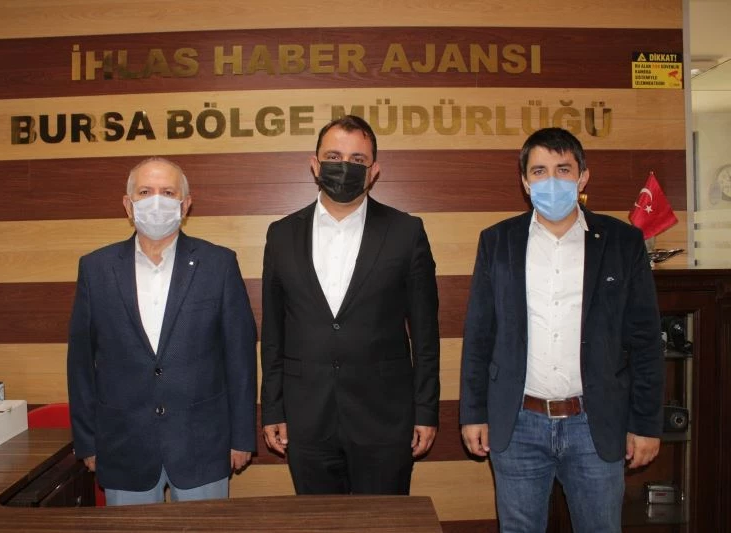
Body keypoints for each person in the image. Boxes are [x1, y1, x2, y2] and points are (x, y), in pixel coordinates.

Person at [459, 127, 664, 532]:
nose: (551, 180)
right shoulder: (498, 242)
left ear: (583, 176)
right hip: (518, 423)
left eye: (563, 169)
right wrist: (474, 413)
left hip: (595, 423)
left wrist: (645, 424)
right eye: (539, 171)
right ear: (525, 181)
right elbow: (480, 335)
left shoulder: (622, 242)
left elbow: (644, 341)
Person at [260, 115, 440, 495]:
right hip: (306, 419)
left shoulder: (406, 232)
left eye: (358, 159)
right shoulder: (281, 235)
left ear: (374, 171)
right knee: (319, 521)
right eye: (334, 156)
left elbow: (426, 335)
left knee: (384, 522)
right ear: (315, 164)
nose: (345, 166)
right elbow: (273, 334)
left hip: (385, 420)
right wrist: (272, 408)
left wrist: (426, 410)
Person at [67, 157, 257, 506]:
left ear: (186, 204)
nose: (156, 201)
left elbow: (240, 358)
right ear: (128, 205)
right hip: (124, 448)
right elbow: (80, 364)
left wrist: (242, 437)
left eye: (168, 192)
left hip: (203, 446)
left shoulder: (219, 264)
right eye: (145, 192)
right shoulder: (96, 268)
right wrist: (88, 442)